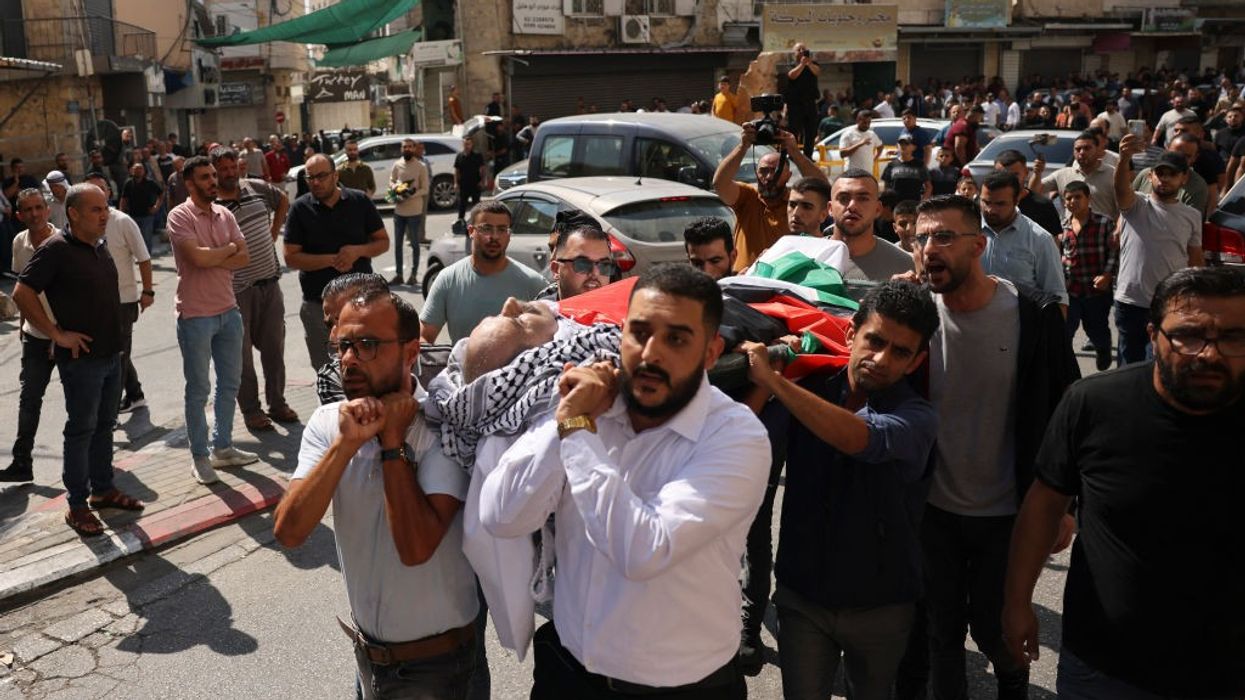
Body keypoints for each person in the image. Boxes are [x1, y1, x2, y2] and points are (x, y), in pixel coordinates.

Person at [480, 264, 771, 700]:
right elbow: (501, 516)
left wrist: (577, 429)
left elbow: (643, 550)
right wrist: (568, 419)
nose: (651, 354)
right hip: (568, 677)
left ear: (711, 353)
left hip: (683, 691)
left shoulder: (736, 437)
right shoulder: (590, 406)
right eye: (639, 332)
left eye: (676, 338)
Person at [1002, 266, 1245, 699]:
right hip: (1104, 664)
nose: (1210, 354)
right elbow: (1044, 503)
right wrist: (1017, 602)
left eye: (1234, 337)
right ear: (1152, 335)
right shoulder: (1094, 404)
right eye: (1189, 335)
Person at [909, 194, 1079, 699]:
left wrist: (1064, 506)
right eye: (920, 239)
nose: (928, 248)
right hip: (933, 509)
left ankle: (1012, 683)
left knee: (994, 627)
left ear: (979, 245)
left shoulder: (1034, 314)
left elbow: (1066, 410)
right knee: (940, 632)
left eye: (942, 236)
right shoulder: (913, 315)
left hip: (1009, 512)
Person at [274, 290, 481, 699]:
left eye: (368, 345)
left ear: (410, 351)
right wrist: (345, 445)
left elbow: (415, 547)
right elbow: (290, 533)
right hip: (369, 659)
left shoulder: (444, 425)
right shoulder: (328, 424)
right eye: (343, 346)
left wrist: (392, 445)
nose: (349, 359)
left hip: (435, 671)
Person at [739, 280, 940, 700]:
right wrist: (766, 375)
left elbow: (862, 439)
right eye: (875, 341)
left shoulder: (917, 416)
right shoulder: (807, 386)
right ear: (851, 333)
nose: (882, 359)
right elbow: (746, 441)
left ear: (916, 360)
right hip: (803, 599)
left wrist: (778, 384)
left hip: (882, 607)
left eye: (900, 352)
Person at [12, 184, 146, 535]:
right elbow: (22, 292)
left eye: (105, 208)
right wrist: (56, 334)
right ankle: (77, 504)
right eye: (96, 210)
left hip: (111, 356)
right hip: (81, 361)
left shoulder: (99, 246)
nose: (104, 215)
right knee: (81, 429)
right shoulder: (55, 249)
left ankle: (103, 489)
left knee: (104, 427)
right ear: (73, 213)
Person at [166, 155, 259, 485]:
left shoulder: (224, 214)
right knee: (199, 389)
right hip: (195, 316)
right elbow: (198, 258)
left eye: (213, 176)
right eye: (204, 177)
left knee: (229, 384)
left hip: (228, 311)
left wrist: (217, 255)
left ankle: (223, 447)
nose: (212, 181)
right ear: (190, 184)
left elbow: (245, 257)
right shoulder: (180, 215)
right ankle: (200, 457)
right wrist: (227, 251)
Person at [210, 148, 296, 432]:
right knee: (241, 355)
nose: (229, 172)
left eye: (232, 166)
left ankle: (277, 403)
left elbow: (282, 200)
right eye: (223, 168)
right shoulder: (211, 205)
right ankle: (251, 410)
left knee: (274, 349)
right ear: (214, 171)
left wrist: (273, 233)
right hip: (236, 292)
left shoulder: (255, 187)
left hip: (269, 283)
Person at [284, 153, 390, 371]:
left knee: (367, 365)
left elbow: (383, 242)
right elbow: (290, 257)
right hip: (318, 307)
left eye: (321, 176)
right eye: (309, 177)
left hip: (362, 304)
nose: (315, 182)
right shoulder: (300, 209)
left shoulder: (359, 201)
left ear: (335, 175)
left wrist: (357, 251)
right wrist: (332, 260)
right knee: (327, 370)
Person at [1113, 135, 1204, 365]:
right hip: (1130, 302)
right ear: (1151, 175)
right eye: (1160, 173)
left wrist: (1196, 298)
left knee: (1159, 365)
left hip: (1169, 304)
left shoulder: (1192, 216)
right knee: (1128, 369)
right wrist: (1124, 159)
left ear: (1183, 178)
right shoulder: (1136, 204)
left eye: (1172, 174)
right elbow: (1121, 189)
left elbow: (1195, 260)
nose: (1164, 179)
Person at [0, 189, 62, 482]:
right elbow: (23, 292)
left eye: (39, 207)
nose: (35, 214)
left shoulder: (64, 241)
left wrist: (58, 335)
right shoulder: (19, 243)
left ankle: (94, 462)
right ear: (19, 215)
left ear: (47, 210)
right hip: (35, 335)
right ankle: (22, 462)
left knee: (82, 399)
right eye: (28, 210)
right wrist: (26, 332)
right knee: (29, 399)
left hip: (67, 334)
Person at [420, 201, 546, 344]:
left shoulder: (533, 283)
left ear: (509, 235)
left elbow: (554, 337)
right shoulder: (448, 279)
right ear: (471, 231)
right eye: (486, 228)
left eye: (502, 229)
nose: (494, 236)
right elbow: (424, 337)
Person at [84, 173, 154, 415]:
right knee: (116, 351)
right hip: (95, 302)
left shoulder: (123, 221)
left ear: (109, 193)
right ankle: (135, 394)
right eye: (91, 190)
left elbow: (144, 257)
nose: (98, 194)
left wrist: (148, 291)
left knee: (118, 353)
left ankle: (110, 411)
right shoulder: (82, 224)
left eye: (101, 189)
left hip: (123, 301)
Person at [713, 126, 826, 272]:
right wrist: (743, 146)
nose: (769, 177)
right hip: (743, 280)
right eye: (763, 171)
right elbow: (720, 183)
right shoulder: (748, 197)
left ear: (789, 176)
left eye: (775, 171)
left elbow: (822, 188)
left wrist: (795, 153)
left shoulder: (795, 203)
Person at [978, 171, 1068, 307]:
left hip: (1021, 326)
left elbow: (1057, 297)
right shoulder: (965, 231)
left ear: (1017, 200)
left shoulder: (1040, 240)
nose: (991, 210)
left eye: (1000, 204)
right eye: (986, 202)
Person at [1060, 180, 1117, 371]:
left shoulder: (1104, 223)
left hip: (1096, 290)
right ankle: (1066, 366)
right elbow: (1061, 255)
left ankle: (1103, 350)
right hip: (1071, 290)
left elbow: (1114, 253)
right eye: (1068, 198)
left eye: (1078, 197)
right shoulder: (1064, 226)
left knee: (1097, 329)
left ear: (1088, 199)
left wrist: (1107, 275)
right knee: (1065, 331)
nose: (1073, 201)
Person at [827, 169, 914, 281]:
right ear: (830, 208)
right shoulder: (808, 257)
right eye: (844, 198)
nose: (852, 206)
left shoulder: (904, 266)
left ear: (878, 209)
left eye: (863, 199)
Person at [1033, 131, 1118, 221]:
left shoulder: (1113, 175)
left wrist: (1117, 229)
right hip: (1070, 232)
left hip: (1103, 232)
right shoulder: (1062, 174)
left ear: (1098, 150)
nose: (1082, 152)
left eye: (1087, 148)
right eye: (1078, 149)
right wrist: (1037, 173)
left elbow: (1124, 208)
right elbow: (1034, 191)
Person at [389, 139, 430, 287]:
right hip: (399, 211)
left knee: (414, 244)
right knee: (398, 245)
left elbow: (425, 188)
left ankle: (413, 274)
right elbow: (391, 180)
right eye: (404, 147)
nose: (407, 149)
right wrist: (396, 188)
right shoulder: (397, 165)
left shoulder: (421, 167)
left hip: (414, 211)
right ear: (401, 149)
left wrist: (410, 194)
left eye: (410, 147)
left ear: (414, 149)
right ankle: (399, 275)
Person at [992, 150, 1061, 237]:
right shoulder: (986, 204)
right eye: (1003, 174)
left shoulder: (1043, 206)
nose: (1009, 179)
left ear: (1026, 173)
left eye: (1015, 174)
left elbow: (1054, 243)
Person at [542, 224, 618, 301]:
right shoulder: (541, 311)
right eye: (582, 264)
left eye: (604, 265)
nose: (595, 273)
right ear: (556, 269)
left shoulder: (624, 310)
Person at [784, 43, 821, 157]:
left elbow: (817, 72)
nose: (801, 51)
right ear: (794, 53)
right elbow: (792, 75)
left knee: (810, 131)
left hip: (810, 102)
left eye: (803, 49)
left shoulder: (812, 64)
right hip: (795, 104)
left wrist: (808, 63)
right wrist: (801, 64)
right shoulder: (791, 65)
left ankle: (808, 155)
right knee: (794, 130)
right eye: (798, 50)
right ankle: (792, 155)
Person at [119, 162, 164, 254]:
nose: (138, 171)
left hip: (147, 215)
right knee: (134, 237)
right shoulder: (128, 183)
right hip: (133, 215)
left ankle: (147, 257)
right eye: (136, 169)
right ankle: (138, 256)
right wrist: (121, 212)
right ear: (132, 171)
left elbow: (161, 194)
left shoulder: (150, 183)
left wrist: (156, 207)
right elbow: (124, 199)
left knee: (146, 237)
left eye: (140, 169)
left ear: (144, 171)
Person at [881, 135, 932, 202]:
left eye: (907, 144)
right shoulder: (891, 165)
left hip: (914, 205)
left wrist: (922, 202)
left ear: (914, 147)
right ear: (897, 146)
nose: (903, 146)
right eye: (901, 144)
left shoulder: (920, 165)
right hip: (896, 205)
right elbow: (886, 187)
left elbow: (928, 187)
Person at [840, 109, 882, 173]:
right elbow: (842, 153)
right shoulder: (848, 134)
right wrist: (860, 144)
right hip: (852, 173)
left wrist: (875, 158)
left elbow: (880, 146)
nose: (867, 125)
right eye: (864, 122)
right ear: (857, 120)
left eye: (869, 122)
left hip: (867, 173)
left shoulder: (872, 134)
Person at [454, 138, 486, 222]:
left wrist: (482, 181)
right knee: (462, 204)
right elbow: (456, 171)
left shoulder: (477, 155)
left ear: (472, 145)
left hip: (475, 183)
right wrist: (456, 183)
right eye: (465, 144)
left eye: (468, 144)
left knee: (476, 204)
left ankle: (478, 220)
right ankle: (460, 221)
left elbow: (482, 169)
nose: (467, 146)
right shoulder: (460, 156)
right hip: (463, 184)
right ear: (463, 145)